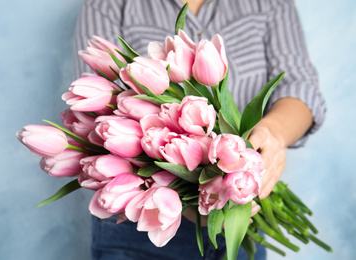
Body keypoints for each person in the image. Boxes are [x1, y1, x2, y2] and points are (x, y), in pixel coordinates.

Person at [73, 0, 326, 259]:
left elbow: (300, 85)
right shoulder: (108, 4)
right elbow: (99, 116)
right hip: (137, 222)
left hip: (243, 210)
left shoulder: (268, 3)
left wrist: (273, 133)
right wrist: (197, 197)